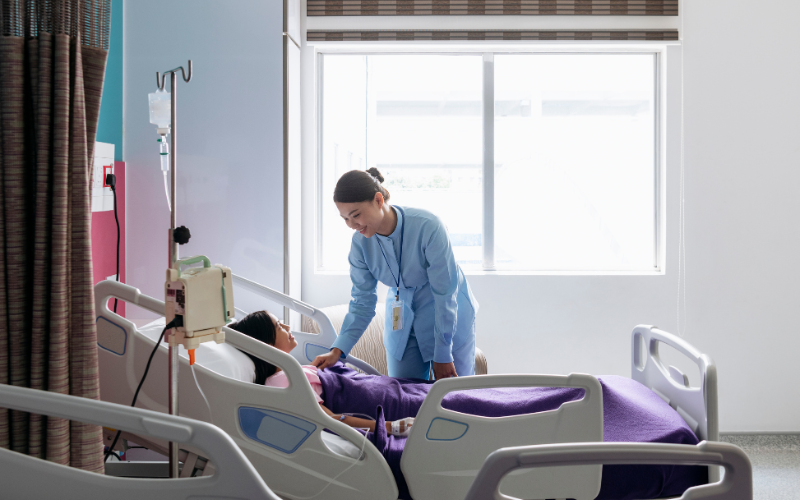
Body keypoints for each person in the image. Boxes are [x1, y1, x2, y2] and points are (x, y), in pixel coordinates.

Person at [311, 168, 479, 380]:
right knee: (403, 395)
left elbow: (445, 295)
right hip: (402, 314)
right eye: (345, 219)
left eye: (356, 215)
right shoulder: (360, 245)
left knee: (455, 396)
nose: (352, 225)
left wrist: (443, 354)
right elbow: (362, 302)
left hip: (446, 310)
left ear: (378, 200)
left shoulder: (428, 226)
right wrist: (337, 350)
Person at [228, 310, 413, 436]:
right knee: (436, 404)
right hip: (379, 402)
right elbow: (328, 418)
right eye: (279, 326)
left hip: (381, 388)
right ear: (266, 346)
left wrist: (311, 371)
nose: (287, 328)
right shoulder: (281, 383)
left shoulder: (290, 373)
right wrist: (390, 427)